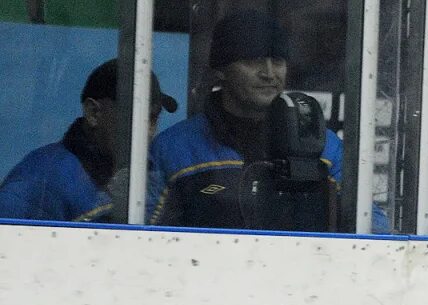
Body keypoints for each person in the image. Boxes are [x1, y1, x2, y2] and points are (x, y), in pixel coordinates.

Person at [147, 9, 388, 233]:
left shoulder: (324, 146)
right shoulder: (174, 148)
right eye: (253, 61)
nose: (269, 73)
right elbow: (138, 236)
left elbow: (374, 227)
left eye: (278, 61)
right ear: (221, 70)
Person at [0, 59, 177, 222]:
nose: (146, 131)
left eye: (152, 119)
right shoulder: (39, 181)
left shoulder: (150, 174)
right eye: (136, 117)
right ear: (93, 113)